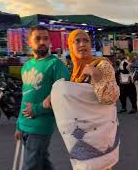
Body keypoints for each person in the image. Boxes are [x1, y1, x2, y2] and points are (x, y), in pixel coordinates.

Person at [51, 29, 120, 170]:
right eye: (77, 41)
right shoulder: (75, 72)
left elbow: (110, 98)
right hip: (83, 135)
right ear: (70, 46)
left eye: (86, 40)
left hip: (98, 135)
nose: (82, 44)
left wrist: (95, 75)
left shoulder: (102, 65)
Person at [14, 26, 70, 170]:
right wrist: (19, 125)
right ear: (29, 43)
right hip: (25, 124)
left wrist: (36, 109)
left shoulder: (56, 64)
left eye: (45, 38)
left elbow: (62, 95)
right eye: (37, 38)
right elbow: (25, 95)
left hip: (41, 124)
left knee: (30, 165)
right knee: (42, 163)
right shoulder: (26, 66)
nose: (42, 42)